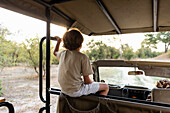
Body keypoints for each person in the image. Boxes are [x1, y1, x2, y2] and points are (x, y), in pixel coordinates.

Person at [53, 29, 109, 97]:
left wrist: (59, 41)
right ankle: (100, 107)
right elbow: (87, 82)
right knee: (105, 87)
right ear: (80, 43)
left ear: (65, 43)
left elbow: (55, 52)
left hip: (64, 89)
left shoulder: (62, 53)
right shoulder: (83, 57)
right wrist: (95, 83)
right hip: (76, 91)